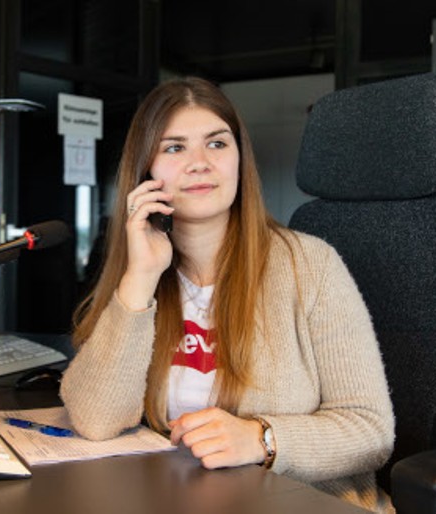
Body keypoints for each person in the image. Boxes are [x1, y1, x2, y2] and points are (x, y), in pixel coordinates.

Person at [59, 76, 395, 513]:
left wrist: (262, 438)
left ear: (239, 159)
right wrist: (140, 278)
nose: (199, 163)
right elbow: (97, 420)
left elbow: (371, 432)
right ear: (146, 172)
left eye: (217, 144)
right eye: (174, 148)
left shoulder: (310, 265)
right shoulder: (142, 272)